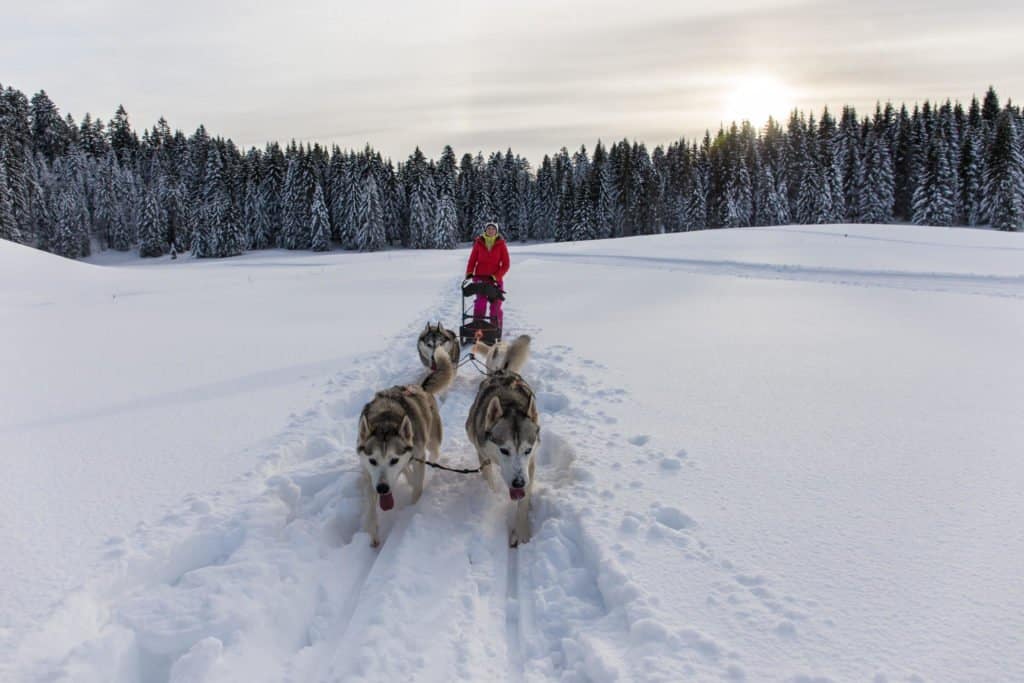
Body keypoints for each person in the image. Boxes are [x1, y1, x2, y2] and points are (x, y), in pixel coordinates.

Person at [465, 222, 510, 329]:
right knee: (480, 303)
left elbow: (506, 264)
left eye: (493, 229)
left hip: (495, 280)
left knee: (496, 305)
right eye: (488, 228)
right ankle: (477, 328)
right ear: (485, 230)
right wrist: (469, 272)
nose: (490, 230)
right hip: (480, 278)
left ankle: (495, 328)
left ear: (496, 231)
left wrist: (496, 276)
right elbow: (472, 260)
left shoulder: (501, 244)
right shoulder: (479, 243)